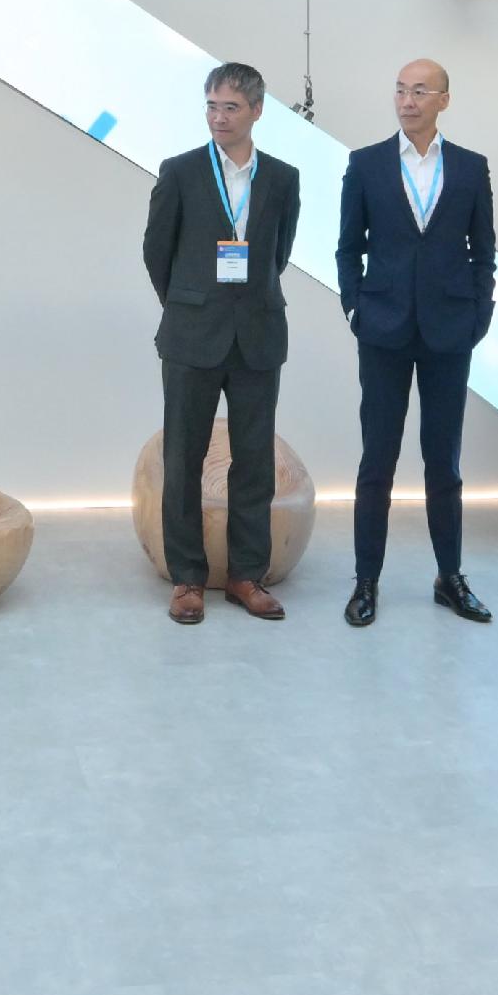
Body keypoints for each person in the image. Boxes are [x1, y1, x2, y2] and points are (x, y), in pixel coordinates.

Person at [333, 59, 498, 628]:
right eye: (401, 90)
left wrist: (482, 314)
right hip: (381, 328)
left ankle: (449, 577)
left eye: (420, 91)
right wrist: (355, 305)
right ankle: (366, 581)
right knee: (376, 459)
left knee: (443, 461)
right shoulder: (366, 164)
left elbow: (484, 250)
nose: (407, 100)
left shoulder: (472, 169)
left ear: (444, 100)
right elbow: (347, 247)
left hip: (451, 331)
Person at [145, 63, 301, 625]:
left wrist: (241, 298)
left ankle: (245, 575)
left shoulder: (282, 179)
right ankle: (187, 578)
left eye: (230, 107)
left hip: (258, 333)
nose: (218, 117)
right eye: (211, 106)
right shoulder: (181, 171)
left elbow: (278, 255)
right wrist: (188, 303)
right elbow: (156, 251)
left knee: (254, 461)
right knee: (183, 456)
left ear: (257, 111)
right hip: (192, 334)